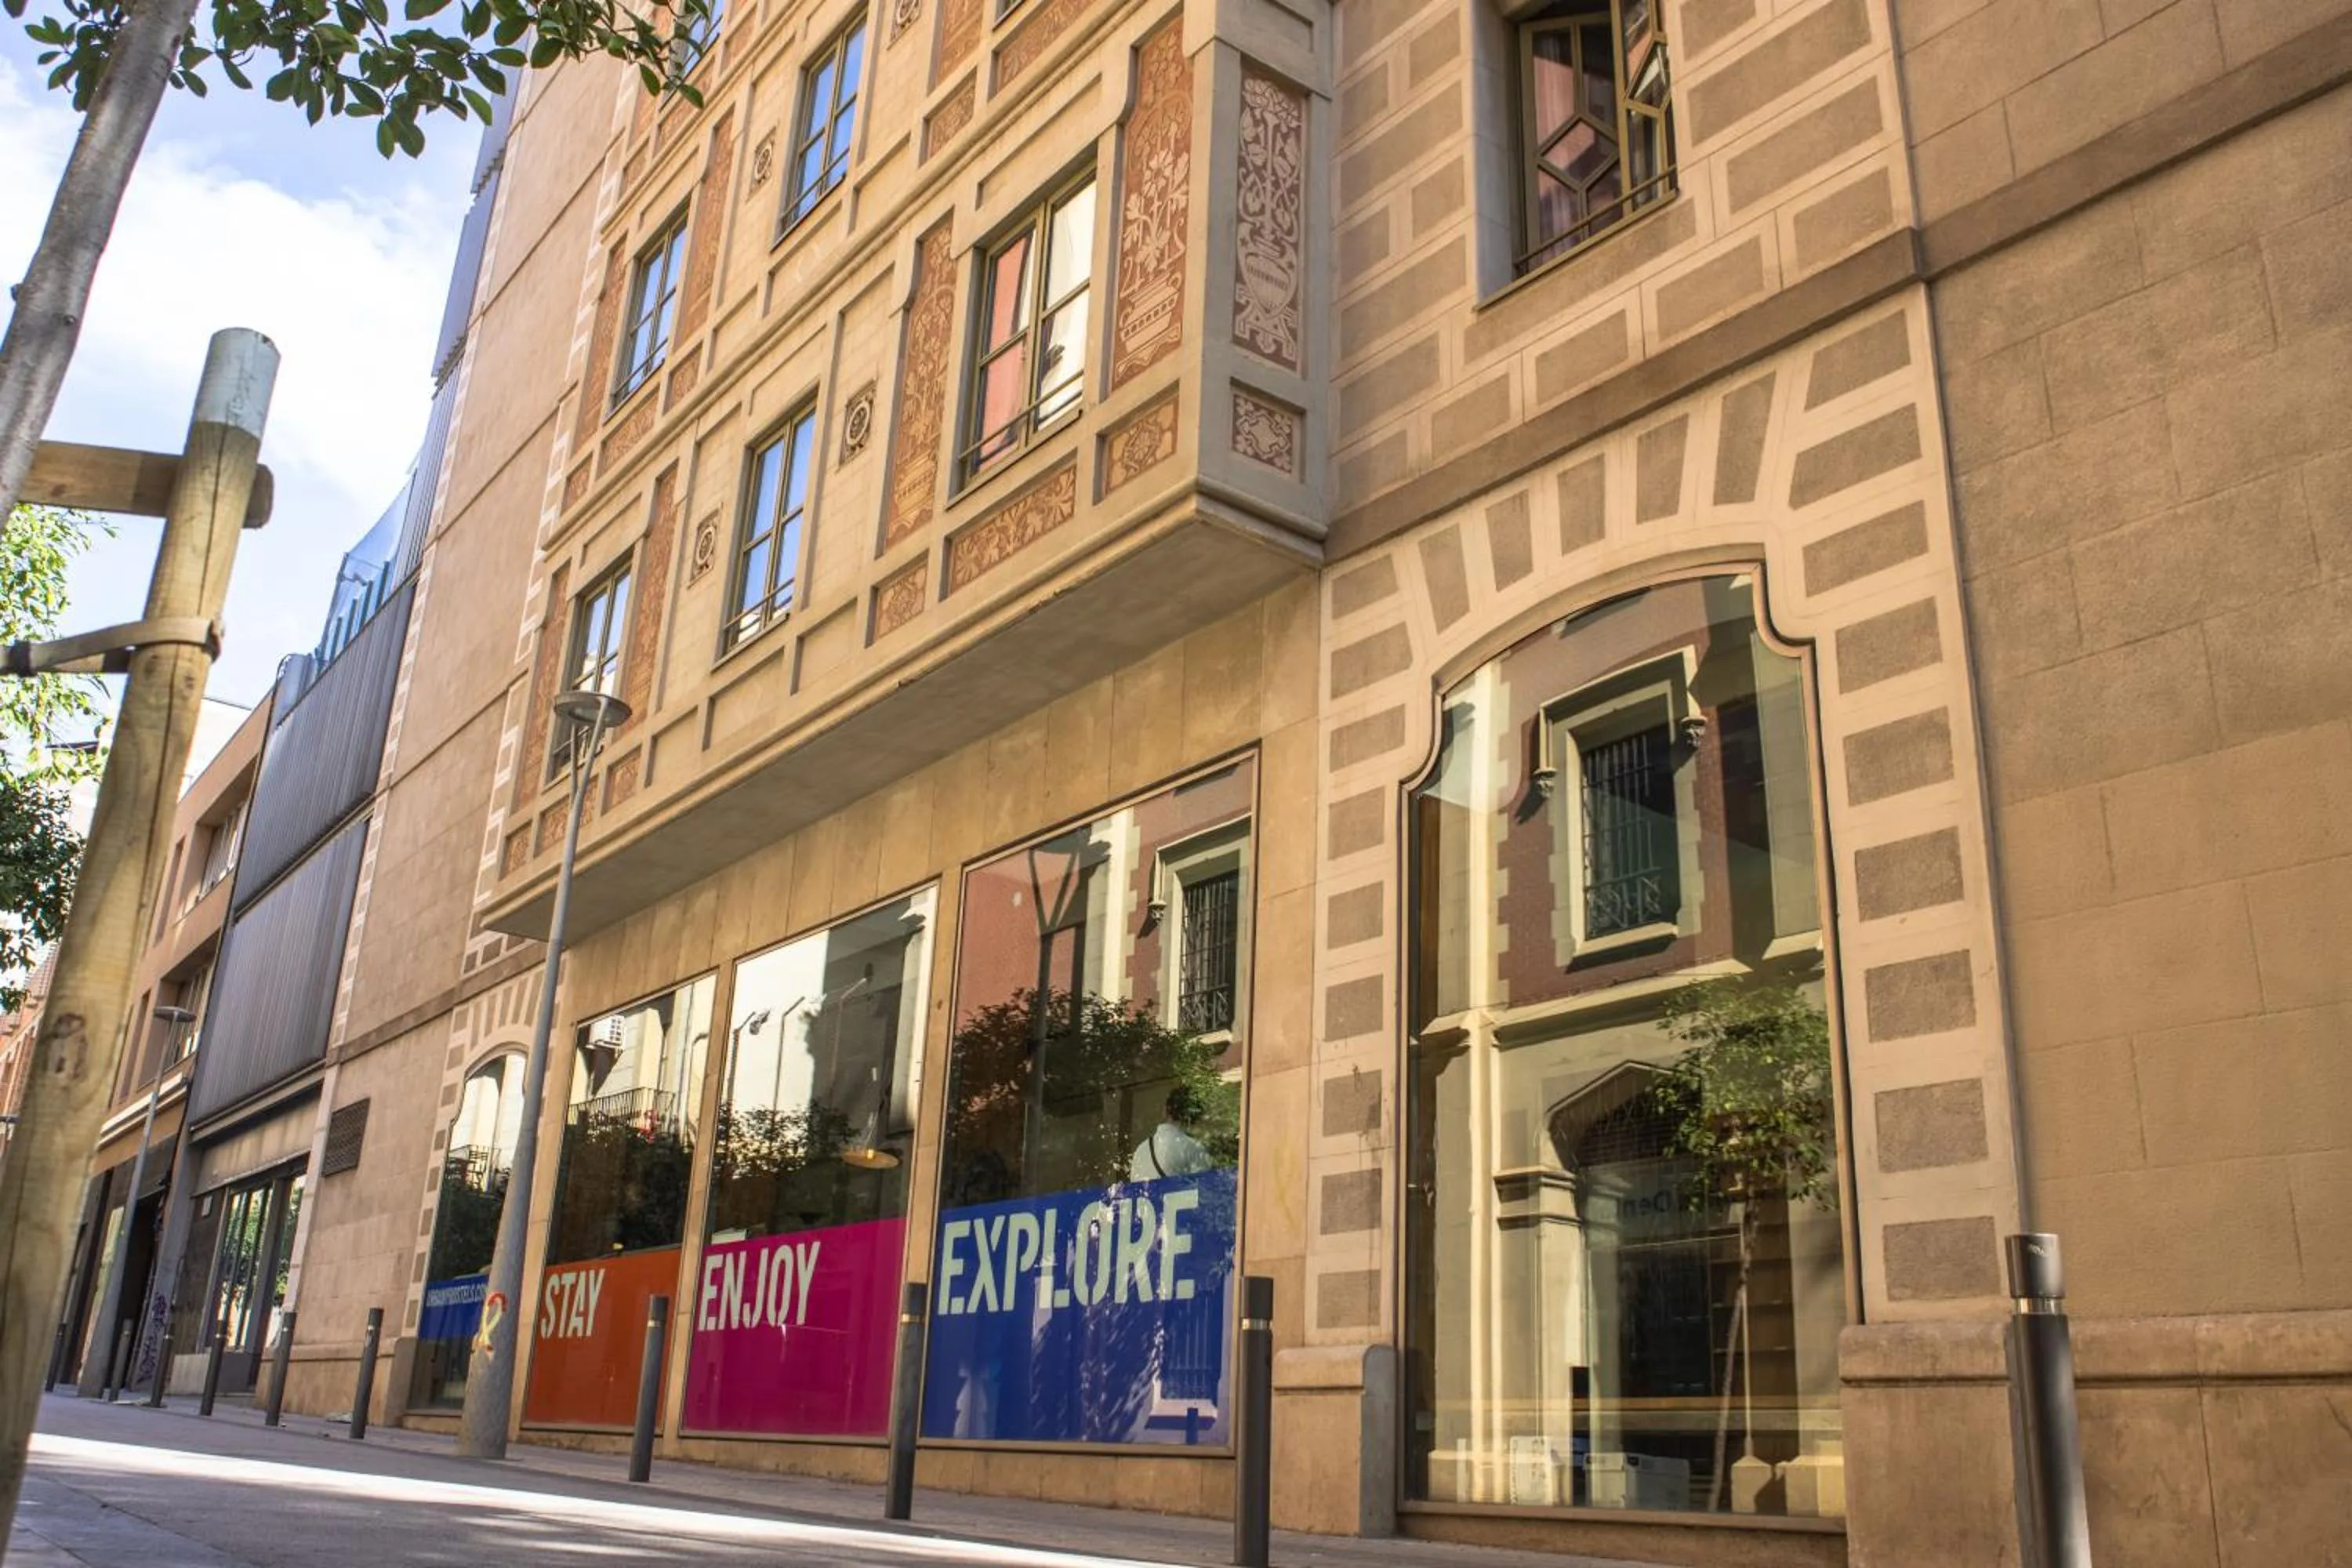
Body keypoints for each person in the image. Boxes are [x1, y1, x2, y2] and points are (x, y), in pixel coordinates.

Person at [1129, 1083, 1213, 1181]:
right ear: (1194, 1118)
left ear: (1165, 1110)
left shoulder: (1141, 1149)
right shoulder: (1193, 1148)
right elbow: (1202, 1189)